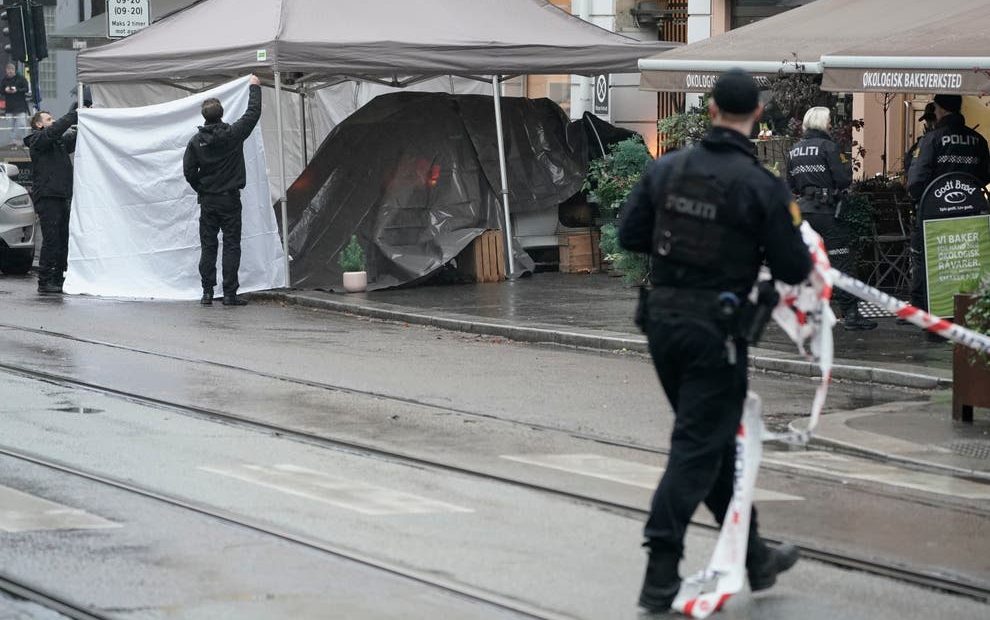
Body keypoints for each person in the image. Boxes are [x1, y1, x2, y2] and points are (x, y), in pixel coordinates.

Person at [619, 69, 810, 614]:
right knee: (699, 445)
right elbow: (793, 267)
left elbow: (631, 235)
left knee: (712, 444)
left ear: (708, 110)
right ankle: (660, 566)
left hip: (662, 322)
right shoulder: (760, 184)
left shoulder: (668, 168)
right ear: (757, 115)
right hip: (716, 333)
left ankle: (752, 556)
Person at [786, 106, 876, 330]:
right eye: (829, 122)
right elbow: (843, 180)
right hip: (827, 213)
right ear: (822, 123)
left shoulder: (794, 150)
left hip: (803, 212)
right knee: (841, 262)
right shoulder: (829, 147)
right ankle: (851, 315)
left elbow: (790, 184)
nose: (831, 125)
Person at [183, 75, 262, 306]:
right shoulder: (233, 135)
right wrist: (255, 88)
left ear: (204, 117)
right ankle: (229, 294)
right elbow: (252, 114)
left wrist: (202, 187)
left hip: (208, 201)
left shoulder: (196, 142)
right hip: (230, 199)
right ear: (222, 113)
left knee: (208, 246)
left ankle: (207, 292)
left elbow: (188, 171)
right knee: (231, 244)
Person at [906, 94, 990, 312]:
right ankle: (968, 312)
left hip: (936, 216)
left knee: (928, 261)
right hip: (971, 215)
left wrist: (923, 201)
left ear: (938, 109)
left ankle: (925, 312)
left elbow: (916, 181)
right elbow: (985, 175)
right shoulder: (978, 140)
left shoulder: (931, 139)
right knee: (967, 264)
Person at [25, 109, 78, 294]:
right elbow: (55, 130)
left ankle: (58, 277)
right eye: (48, 119)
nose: (53, 121)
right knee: (51, 239)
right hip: (48, 196)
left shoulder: (58, 142)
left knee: (63, 239)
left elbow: (74, 138)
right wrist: (73, 114)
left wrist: (88, 120)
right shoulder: (37, 140)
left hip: (62, 195)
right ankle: (45, 280)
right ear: (39, 124)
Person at [903, 103, 936, 177]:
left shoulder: (944, 141)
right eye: (928, 120)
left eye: (933, 120)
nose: (930, 124)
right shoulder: (922, 142)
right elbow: (909, 162)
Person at [1, 64, 30, 142]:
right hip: (9, 107)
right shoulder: (4, 80)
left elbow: (26, 89)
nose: (10, 71)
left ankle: (24, 141)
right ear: (6, 71)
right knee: (10, 126)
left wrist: (17, 90)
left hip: (20, 106)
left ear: (14, 70)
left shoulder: (21, 78)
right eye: (8, 70)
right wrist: (5, 90)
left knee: (22, 124)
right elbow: (1, 91)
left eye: (11, 70)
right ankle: (13, 142)